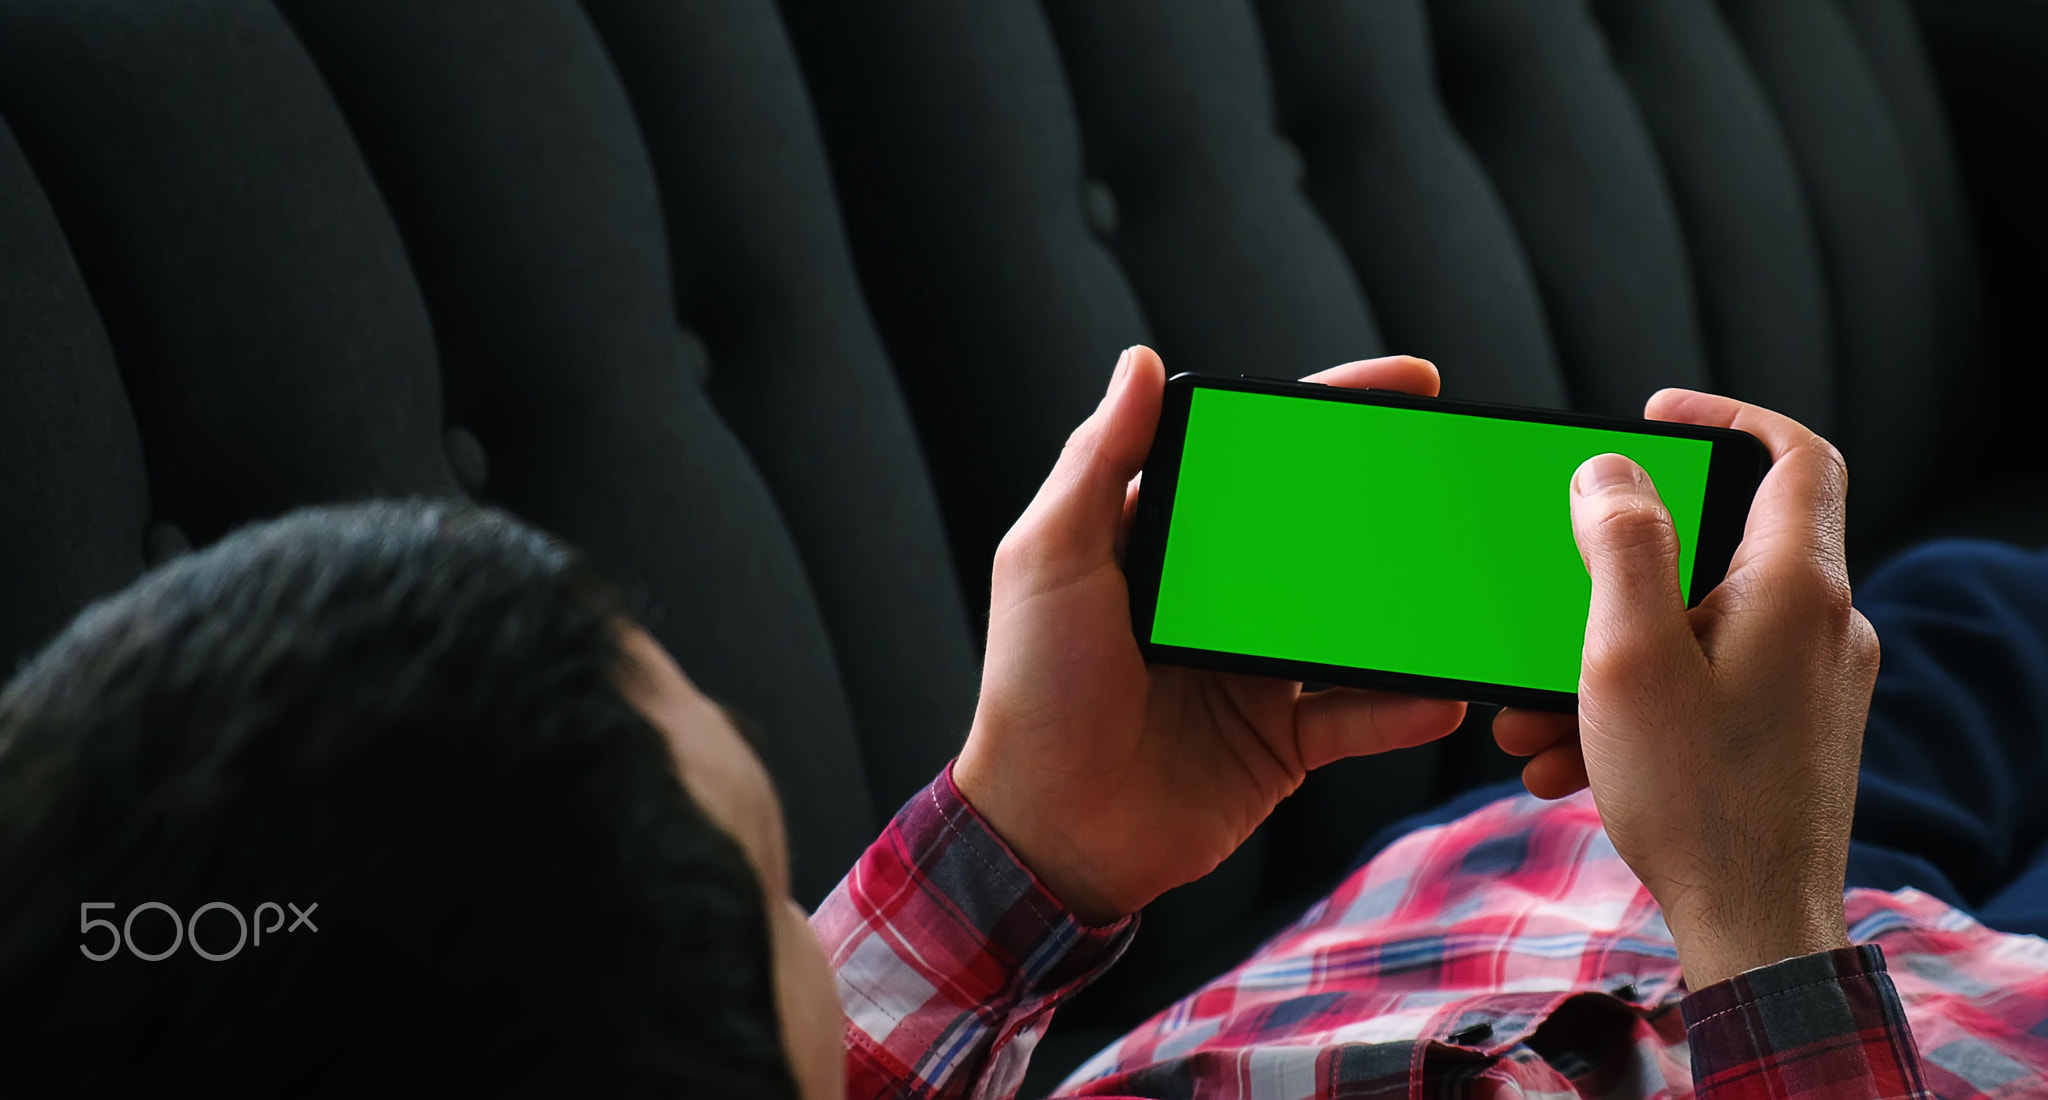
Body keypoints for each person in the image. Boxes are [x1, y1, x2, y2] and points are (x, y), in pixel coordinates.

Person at [0, 349, 2043, 1098]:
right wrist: (1761, 926)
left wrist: (1026, 838)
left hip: (1558, 893)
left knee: (1958, 608)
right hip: (1852, 1001)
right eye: (765, 896)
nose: (818, 944)